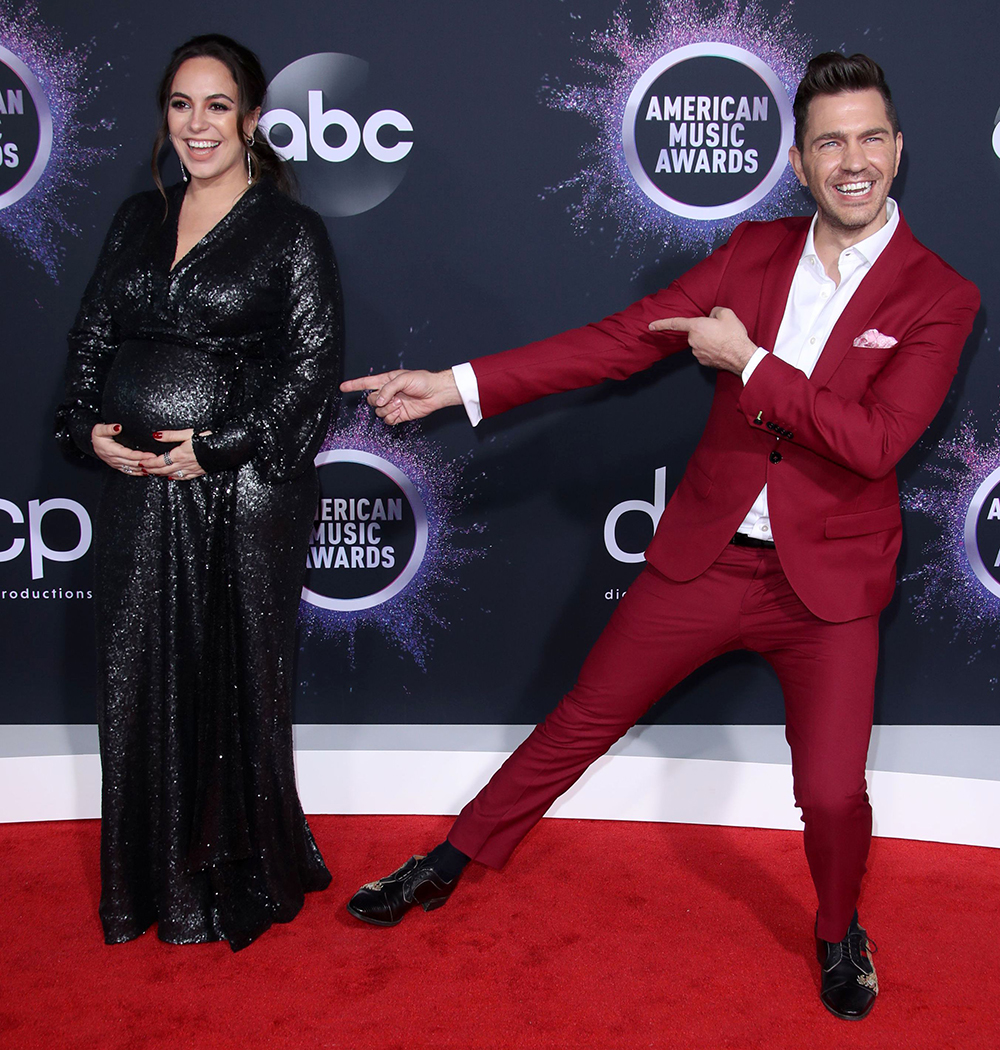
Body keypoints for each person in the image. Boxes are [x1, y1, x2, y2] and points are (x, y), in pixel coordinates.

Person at [340, 53, 979, 1018]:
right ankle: (449, 857)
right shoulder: (753, 253)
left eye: (872, 137)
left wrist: (750, 362)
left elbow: (878, 444)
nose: (855, 160)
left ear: (900, 149)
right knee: (578, 721)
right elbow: (621, 338)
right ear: (800, 163)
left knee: (835, 794)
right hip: (707, 557)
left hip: (830, 587)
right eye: (830, 142)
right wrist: (456, 385)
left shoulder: (941, 293)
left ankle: (839, 929)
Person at [55, 34, 342, 951]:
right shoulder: (138, 218)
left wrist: (219, 446)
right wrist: (84, 426)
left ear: (253, 120)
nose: (197, 124)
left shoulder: (290, 231)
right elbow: (93, 339)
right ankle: (149, 886)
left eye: (217, 106)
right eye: (181, 105)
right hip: (139, 491)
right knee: (139, 675)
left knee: (231, 676)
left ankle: (225, 881)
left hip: (238, 494)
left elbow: (311, 368)